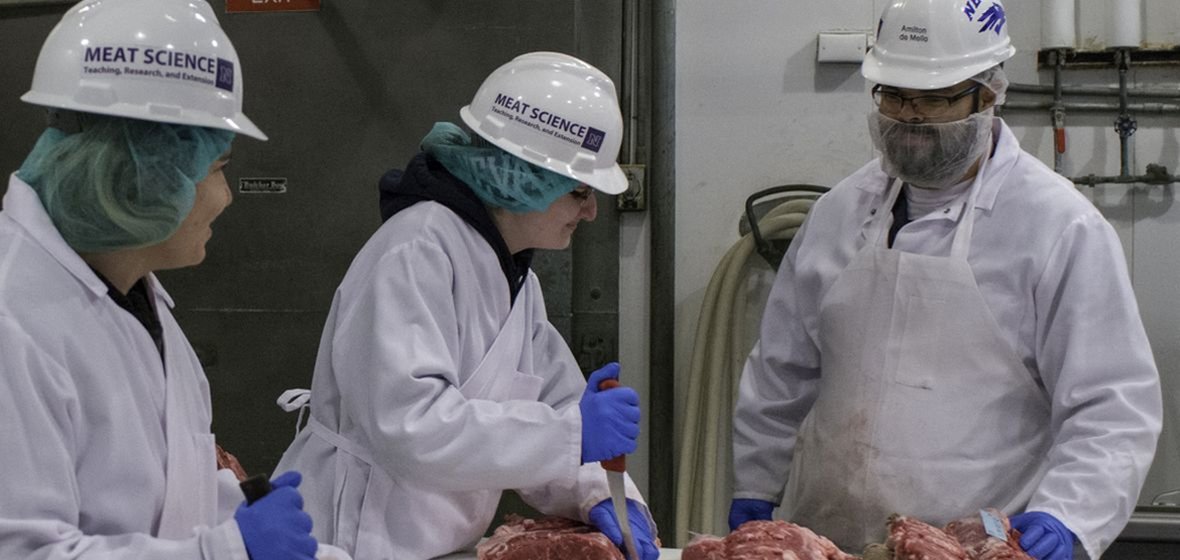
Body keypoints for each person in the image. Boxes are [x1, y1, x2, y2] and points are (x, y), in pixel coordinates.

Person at [728, 1, 1162, 559]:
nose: (910, 116)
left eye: (935, 98)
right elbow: (782, 372)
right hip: (827, 537)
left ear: (989, 93)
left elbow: (1110, 405)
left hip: (972, 545)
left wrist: (1067, 516)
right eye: (893, 94)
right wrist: (756, 485)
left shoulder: (1058, 226)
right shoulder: (839, 213)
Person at [274, 51, 659, 560]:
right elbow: (410, 427)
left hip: (434, 542)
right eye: (580, 192)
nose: (590, 212)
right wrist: (572, 435)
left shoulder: (510, 271)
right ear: (525, 177)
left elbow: (555, 404)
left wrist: (601, 494)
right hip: (356, 534)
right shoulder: (417, 249)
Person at [0, 1, 319, 559]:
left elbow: (152, 488)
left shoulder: (131, 296)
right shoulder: (13, 320)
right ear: (139, 173)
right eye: (215, 168)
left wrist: (232, 509)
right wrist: (225, 551)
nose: (226, 197)